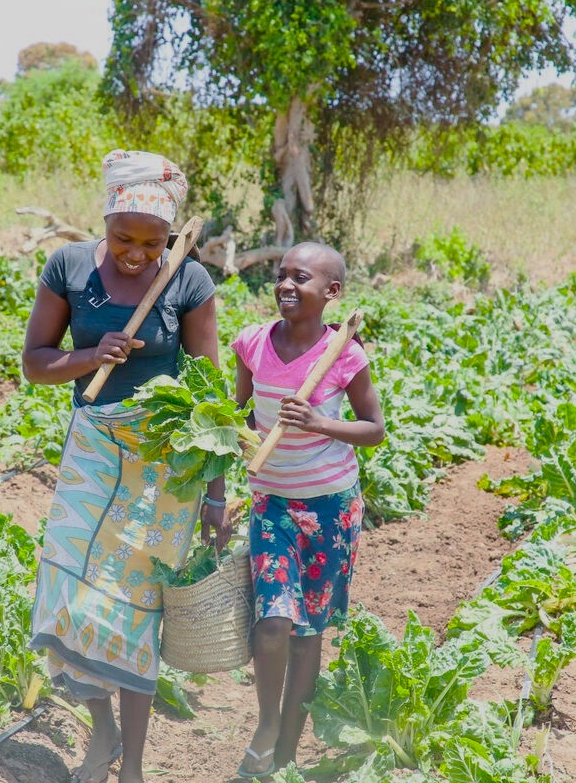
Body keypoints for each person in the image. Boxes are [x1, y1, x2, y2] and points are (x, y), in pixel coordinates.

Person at [23, 149, 228, 783]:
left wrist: (216, 495)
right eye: (122, 239)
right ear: (104, 222)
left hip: (161, 470)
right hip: (91, 452)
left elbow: (210, 394)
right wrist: (92, 355)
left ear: (172, 237)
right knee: (72, 594)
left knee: (135, 609)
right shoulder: (68, 267)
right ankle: (102, 732)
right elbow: (35, 362)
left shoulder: (188, 283)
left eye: (152, 243)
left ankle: (133, 765)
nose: (136, 253)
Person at [230, 242, 384, 779]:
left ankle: (289, 754)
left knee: (306, 634)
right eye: (281, 276)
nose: (287, 286)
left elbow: (373, 429)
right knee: (272, 625)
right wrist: (227, 478)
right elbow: (241, 420)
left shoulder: (345, 354)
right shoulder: (251, 344)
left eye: (302, 278)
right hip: (270, 503)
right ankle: (267, 726)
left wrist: (319, 423)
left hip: (329, 510)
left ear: (332, 293)